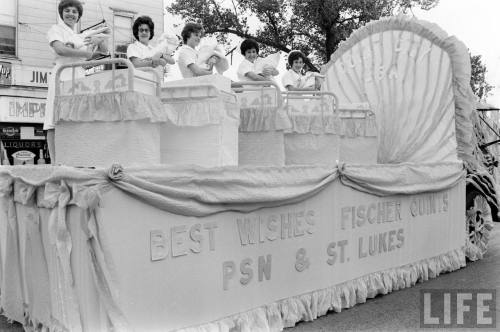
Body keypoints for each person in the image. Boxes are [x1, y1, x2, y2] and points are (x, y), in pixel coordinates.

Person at [45, 0, 108, 163]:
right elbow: (60, 49)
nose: (71, 14)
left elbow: (104, 50)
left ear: (79, 15)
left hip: (79, 77)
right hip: (62, 75)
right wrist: (85, 54)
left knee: (78, 118)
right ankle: (55, 161)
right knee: (53, 119)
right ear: (61, 12)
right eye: (67, 10)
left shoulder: (80, 35)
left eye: (74, 11)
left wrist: (98, 40)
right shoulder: (56, 29)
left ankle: (76, 158)